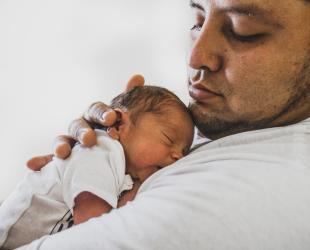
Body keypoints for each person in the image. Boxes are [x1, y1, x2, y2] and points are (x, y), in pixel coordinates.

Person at [20, 0, 310, 249]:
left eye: (241, 31)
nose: (197, 57)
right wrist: (94, 164)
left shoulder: (235, 200)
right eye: (198, 21)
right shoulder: (250, 127)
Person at [0, 85, 194, 250]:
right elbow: (95, 231)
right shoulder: (100, 152)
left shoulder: (125, 169)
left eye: (183, 152)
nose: (177, 156)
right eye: (168, 139)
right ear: (118, 125)